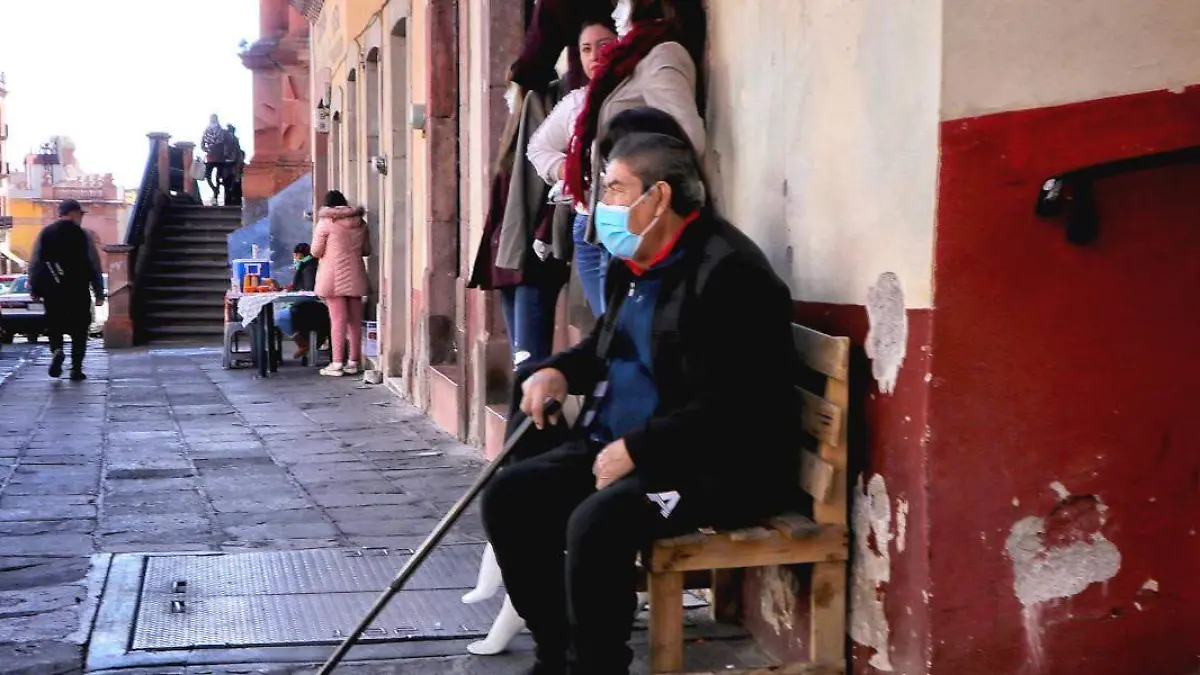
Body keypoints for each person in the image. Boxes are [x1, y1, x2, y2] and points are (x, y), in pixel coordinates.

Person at [481, 133, 803, 675]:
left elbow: (736, 404)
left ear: (658, 197)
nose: (602, 204)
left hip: (714, 467)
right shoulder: (632, 263)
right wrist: (556, 371)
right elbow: (609, 347)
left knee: (596, 523)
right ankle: (557, 653)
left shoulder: (728, 273)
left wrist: (639, 449)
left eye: (614, 189)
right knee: (510, 497)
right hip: (624, 447)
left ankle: (598, 664)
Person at [563, 0, 707, 316]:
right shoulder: (632, 61)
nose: (616, 10)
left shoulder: (662, 55)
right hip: (616, 224)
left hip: (643, 222)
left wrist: (644, 188)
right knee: (611, 336)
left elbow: (687, 139)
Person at [526, 15, 619, 319]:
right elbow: (537, 148)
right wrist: (570, 170)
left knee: (621, 317)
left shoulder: (633, 93)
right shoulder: (577, 101)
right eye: (586, 49)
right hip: (586, 224)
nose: (595, 56)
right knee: (603, 321)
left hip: (625, 220)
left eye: (604, 45)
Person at [28, 199, 106, 381]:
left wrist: (34, 287)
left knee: (54, 325)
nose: (81, 217)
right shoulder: (83, 235)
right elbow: (94, 264)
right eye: (80, 214)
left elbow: (35, 262)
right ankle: (76, 368)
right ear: (72, 213)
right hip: (77, 289)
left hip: (52, 290)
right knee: (80, 329)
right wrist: (99, 292)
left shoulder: (45, 233)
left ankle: (57, 350)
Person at [311, 190, 370, 377]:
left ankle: (337, 363)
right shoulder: (360, 223)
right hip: (355, 274)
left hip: (332, 276)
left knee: (337, 320)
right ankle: (353, 362)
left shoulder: (325, 223)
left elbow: (316, 251)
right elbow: (367, 250)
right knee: (354, 321)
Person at [275, 243, 328, 361]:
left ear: (300, 254)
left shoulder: (309, 267)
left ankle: (303, 343)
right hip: (305, 305)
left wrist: (295, 291)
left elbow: (308, 288)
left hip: (311, 307)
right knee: (281, 315)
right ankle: (303, 343)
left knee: (280, 317)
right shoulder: (304, 265)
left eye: (296, 255)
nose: (294, 258)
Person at [201, 114, 227, 205]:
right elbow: (224, 143)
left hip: (214, 157)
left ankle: (215, 193)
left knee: (211, 176)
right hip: (217, 157)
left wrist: (207, 149)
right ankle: (216, 192)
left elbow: (202, 145)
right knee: (214, 177)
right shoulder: (220, 130)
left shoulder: (207, 130)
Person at [222, 124, 244, 206]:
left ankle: (230, 202)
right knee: (230, 184)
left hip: (231, 167)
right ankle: (230, 201)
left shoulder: (232, 141)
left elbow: (238, 156)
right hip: (230, 167)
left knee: (230, 185)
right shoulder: (229, 141)